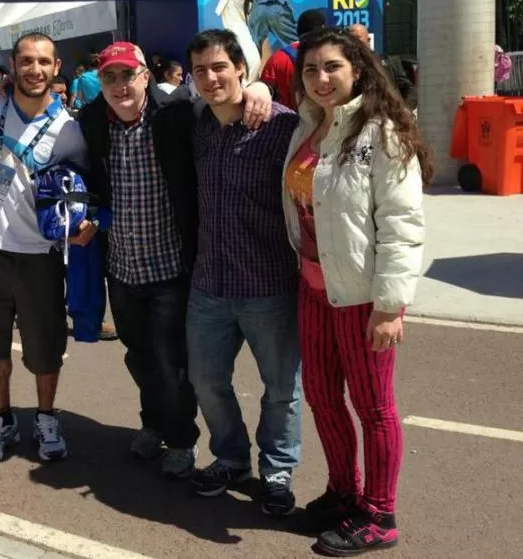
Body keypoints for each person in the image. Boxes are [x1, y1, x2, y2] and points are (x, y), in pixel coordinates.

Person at [78, 40, 275, 479]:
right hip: (123, 268)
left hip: (170, 268)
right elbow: (89, 180)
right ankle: (153, 423)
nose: (119, 85)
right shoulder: (92, 121)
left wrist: (259, 86)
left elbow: (224, 97)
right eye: (109, 77)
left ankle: (183, 439)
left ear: (146, 76)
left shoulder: (177, 113)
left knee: (173, 362)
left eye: (128, 75)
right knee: (139, 355)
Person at [283, 29, 429, 555]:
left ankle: (380, 513)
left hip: (363, 296)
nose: (321, 79)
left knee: (374, 408)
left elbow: (402, 223)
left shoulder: (383, 133)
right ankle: (343, 492)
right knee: (322, 399)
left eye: (332, 68)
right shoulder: (308, 128)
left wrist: (391, 305)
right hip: (313, 290)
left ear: (358, 71)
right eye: (310, 70)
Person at [0, 32, 88, 466]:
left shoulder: (68, 129)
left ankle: (46, 417)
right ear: (13, 64)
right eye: (26, 61)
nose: (34, 69)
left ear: (57, 67)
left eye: (43, 62)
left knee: (45, 344)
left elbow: (85, 185)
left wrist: (84, 223)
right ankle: (2, 418)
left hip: (41, 252)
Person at [184, 30, 303, 517]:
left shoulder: (282, 127)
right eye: (200, 71)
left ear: (240, 68)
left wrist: (266, 90)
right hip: (209, 284)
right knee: (207, 381)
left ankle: (277, 469)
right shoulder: (198, 127)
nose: (211, 79)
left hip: (268, 286)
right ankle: (231, 458)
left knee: (281, 389)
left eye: (219, 68)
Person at [259, 9, 327, 109]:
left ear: (298, 30)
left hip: (286, 120)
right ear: (323, 29)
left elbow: (263, 94)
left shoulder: (278, 59)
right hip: (324, 121)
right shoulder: (332, 57)